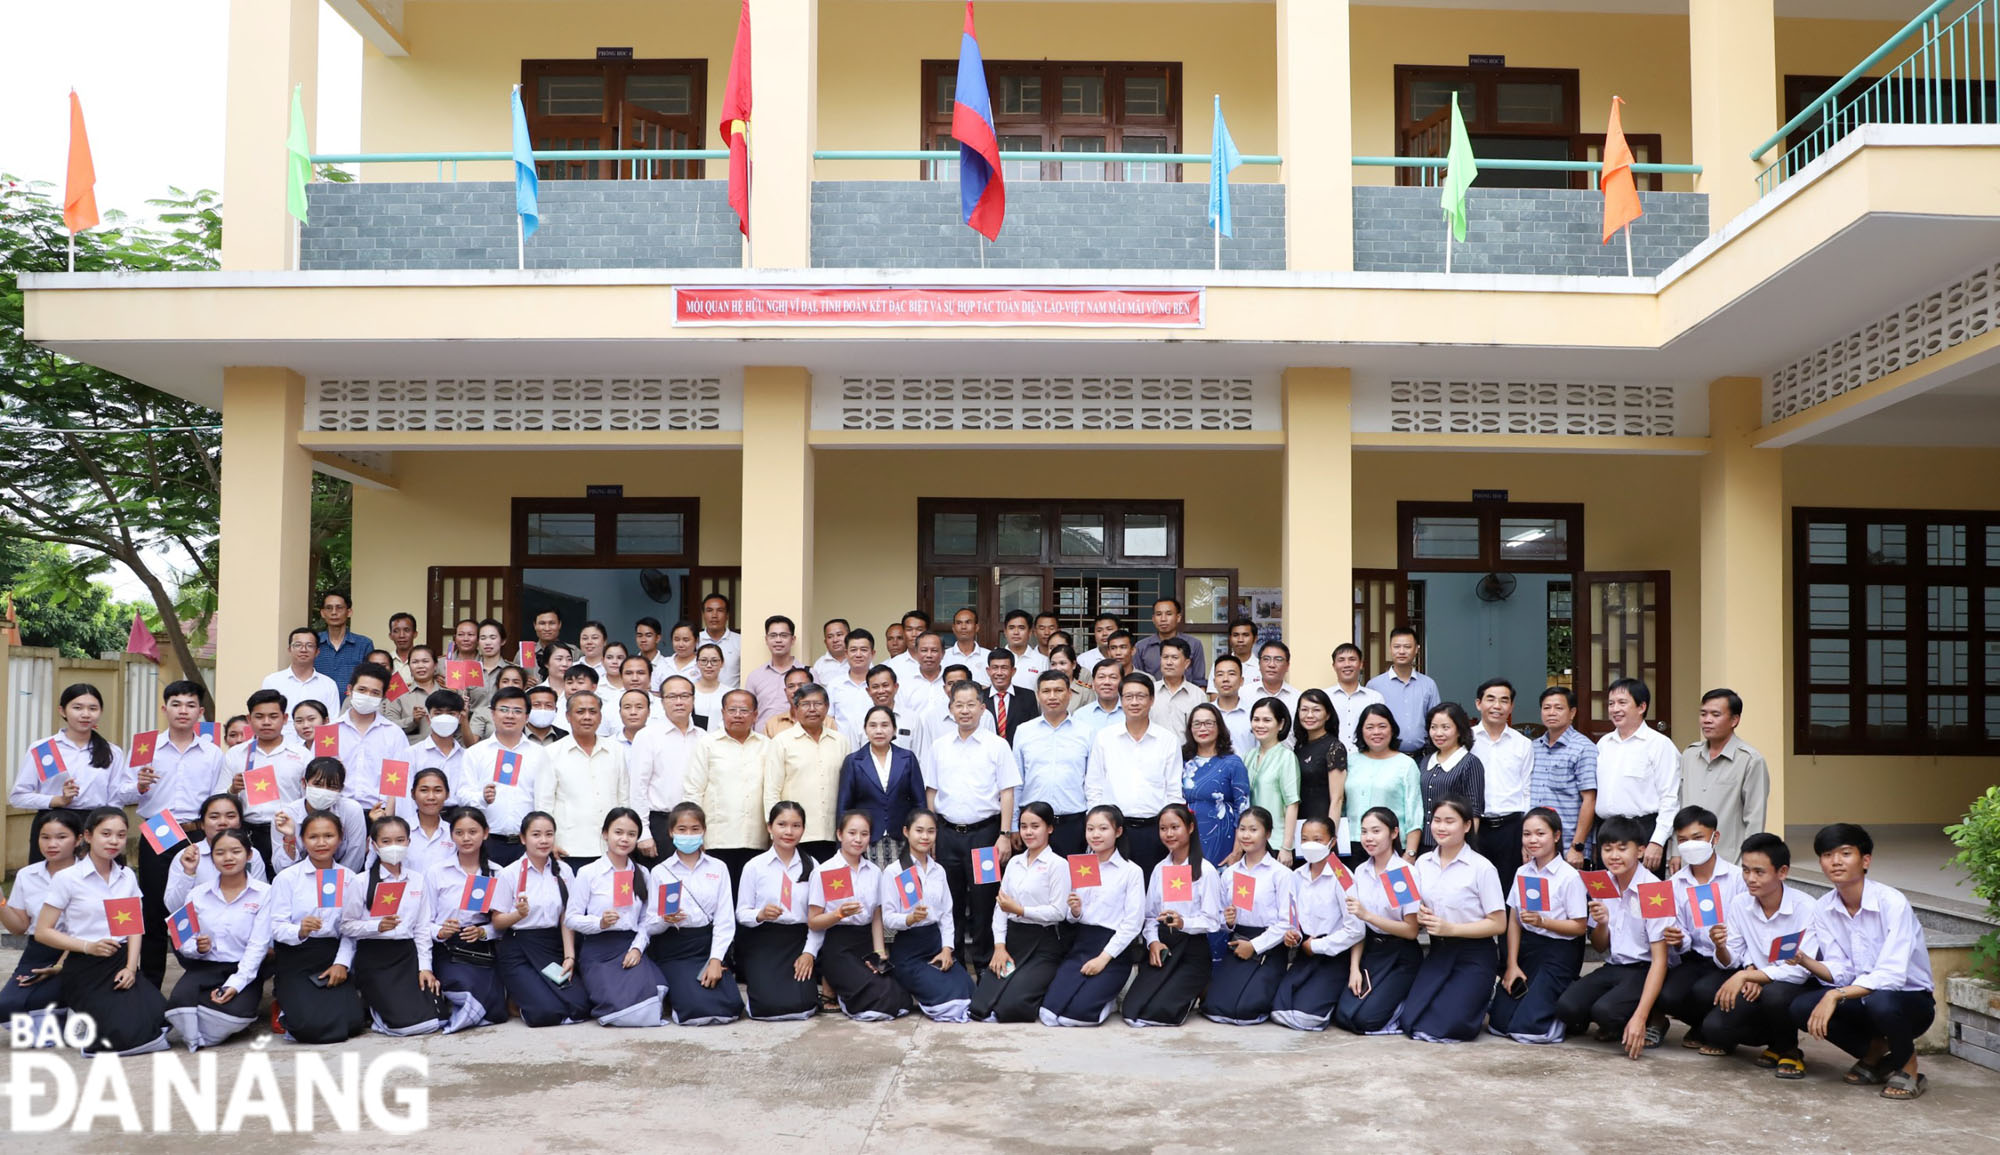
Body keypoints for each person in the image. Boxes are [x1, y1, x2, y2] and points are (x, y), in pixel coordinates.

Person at [1790, 822, 1937, 1100]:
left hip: (1909, 1002)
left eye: (1845, 853)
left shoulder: (1892, 903)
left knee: (1881, 999)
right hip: (1863, 998)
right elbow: (1841, 970)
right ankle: (1875, 1053)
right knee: (1801, 1006)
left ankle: (1909, 1066)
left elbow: (1892, 975)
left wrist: (1836, 995)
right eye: (1826, 855)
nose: (1835, 862)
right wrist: (1805, 961)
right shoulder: (1823, 908)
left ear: (1865, 860)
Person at [30, 807, 170, 1053]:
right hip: (85, 964)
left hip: (119, 962)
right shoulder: (68, 878)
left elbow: (133, 927)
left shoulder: (126, 877)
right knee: (122, 1035)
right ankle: (81, 1017)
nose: (114, 841)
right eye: (106, 833)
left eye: (120, 835)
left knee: (161, 1018)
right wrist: (88, 946)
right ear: (87, 836)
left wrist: (130, 967)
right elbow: (43, 931)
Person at [1554, 816, 1674, 1059]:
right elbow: (1599, 946)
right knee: (1567, 1008)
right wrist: (1602, 923)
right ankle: (1614, 1021)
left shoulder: (1654, 890)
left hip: (1644, 968)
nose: (1614, 856)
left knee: (1605, 1011)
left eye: (1622, 848)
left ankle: (1652, 1017)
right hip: (1613, 965)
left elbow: (1660, 960)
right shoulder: (1601, 882)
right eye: (1607, 849)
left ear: (1640, 851)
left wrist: (1639, 1018)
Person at [1701, 832, 1820, 1077]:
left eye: (1759, 872)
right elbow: (1732, 958)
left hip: (1795, 983)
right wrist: (1721, 947)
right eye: (1745, 870)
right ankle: (1773, 1041)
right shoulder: (1740, 904)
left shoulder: (1806, 908)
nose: (1750, 879)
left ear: (1782, 872)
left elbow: (1800, 969)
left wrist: (1751, 976)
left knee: (1776, 995)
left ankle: (1788, 1050)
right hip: (1756, 977)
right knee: (1714, 1030)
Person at [133, 679, 226, 987]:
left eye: (190, 705)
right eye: (176, 704)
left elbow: (219, 796)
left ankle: (200, 982)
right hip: (157, 834)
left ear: (200, 712)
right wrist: (139, 784)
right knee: (156, 908)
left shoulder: (212, 753)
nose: (183, 711)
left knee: (200, 903)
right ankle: (149, 987)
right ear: (165, 709)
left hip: (198, 835)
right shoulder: (146, 749)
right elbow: (120, 792)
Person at [924, 680, 1020, 971]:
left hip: (985, 835)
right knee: (950, 901)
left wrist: (1004, 834)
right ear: (950, 708)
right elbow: (931, 791)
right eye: (958, 705)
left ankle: (982, 964)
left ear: (982, 707)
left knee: (983, 902)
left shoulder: (997, 745)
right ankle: (950, 960)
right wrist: (932, 835)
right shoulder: (939, 746)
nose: (964, 711)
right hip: (948, 834)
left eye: (970, 705)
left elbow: (1007, 792)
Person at [1398, 797, 1507, 1042]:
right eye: (1437, 821)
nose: (1441, 827)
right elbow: (1416, 904)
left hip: (1474, 955)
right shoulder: (1423, 863)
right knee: (1412, 1021)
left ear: (1467, 826)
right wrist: (1422, 913)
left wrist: (1451, 927)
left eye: (1450, 821)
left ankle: (1482, 993)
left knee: (1448, 1026)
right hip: (1440, 952)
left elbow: (1499, 924)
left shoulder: (1482, 868)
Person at [158, 827, 270, 1050]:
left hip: (243, 969)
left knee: (235, 1014)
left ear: (249, 855)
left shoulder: (264, 893)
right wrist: (198, 948)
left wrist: (235, 985)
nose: (228, 858)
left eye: (236, 851)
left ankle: (200, 1033)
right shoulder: (197, 894)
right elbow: (184, 939)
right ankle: (200, 1030)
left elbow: (258, 946)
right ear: (212, 857)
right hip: (204, 967)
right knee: (178, 1004)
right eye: (220, 853)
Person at [264, 809, 369, 1043]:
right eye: (313, 837)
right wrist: (299, 930)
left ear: (340, 838)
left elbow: (351, 929)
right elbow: (276, 927)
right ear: (303, 840)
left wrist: (341, 963)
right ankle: (283, 1006)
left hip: (332, 954)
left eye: (329, 836)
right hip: (296, 955)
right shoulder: (288, 878)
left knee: (353, 1022)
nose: (321, 843)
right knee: (308, 1026)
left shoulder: (350, 878)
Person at [1488, 808, 1589, 1044]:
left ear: (1556, 836)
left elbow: (1579, 927)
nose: (1532, 840)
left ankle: (1565, 1016)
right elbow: (1514, 919)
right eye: (1527, 834)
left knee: (1528, 1031)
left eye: (1540, 834)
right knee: (1498, 1025)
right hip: (1528, 949)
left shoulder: (1569, 877)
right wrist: (1511, 964)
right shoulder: (1523, 872)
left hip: (1559, 953)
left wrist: (1544, 922)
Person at [638, 801, 744, 1026]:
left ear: (704, 831)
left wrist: (716, 959)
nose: (688, 835)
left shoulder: (718, 868)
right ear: (671, 832)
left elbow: (725, 919)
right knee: (695, 1010)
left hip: (706, 946)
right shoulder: (660, 871)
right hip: (674, 949)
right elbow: (650, 924)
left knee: (730, 1008)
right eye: (682, 830)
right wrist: (664, 920)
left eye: (695, 829)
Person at [1038, 804, 1143, 1027]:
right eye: (1090, 829)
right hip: (1082, 945)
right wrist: (1075, 911)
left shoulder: (1131, 871)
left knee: (1075, 1017)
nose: (1095, 835)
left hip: (1113, 951)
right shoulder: (1080, 865)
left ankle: (1109, 1001)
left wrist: (1104, 958)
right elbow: (1070, 916)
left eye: (1103, 828)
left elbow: (1133, 924)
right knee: (1048, 1015)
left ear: (1118, 831)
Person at [340, 815, 445, 1036]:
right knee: (406, 1025)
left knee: (433, 1020)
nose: (394, 846)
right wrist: (375, 927)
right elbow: (347, 926)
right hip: (375, 955)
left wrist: (425, 968)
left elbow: (422, 929)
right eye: (386, 841)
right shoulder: (360, 882)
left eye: (400, 840)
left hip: (406, 954)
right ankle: (376, 1011)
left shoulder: (417, 880)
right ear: (374, 844)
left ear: (408, 842)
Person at [563, 808, 668, 1027]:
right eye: (618, 832)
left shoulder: (642, 873)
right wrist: (598, 922)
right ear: (605, 834)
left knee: (654, 993)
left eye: (631, 834)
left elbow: (645, 921)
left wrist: (637, 948)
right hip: (598, 950)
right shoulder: (588, 873)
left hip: (629, 946)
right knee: (619, 1007)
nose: (624, 839)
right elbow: (571, 919)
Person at [805, 810, 912, 1021]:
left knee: (900, 998)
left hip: (865, 945)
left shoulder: (874, 871)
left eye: (864, 834)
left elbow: (876, 916)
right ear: (839, 834)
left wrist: (880, 952)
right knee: (878, 998)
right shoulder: (825, 871)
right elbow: (814, 922)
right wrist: (838, 914)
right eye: (852, 833)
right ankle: (840, 994)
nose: (858, 839)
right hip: (838, 946)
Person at [970, 802, 1070, 1022]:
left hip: (1043, 944)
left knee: (1011, 1008)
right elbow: (1000, 907)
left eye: (1035, 826)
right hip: (1013, 942)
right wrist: (999, 947)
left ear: (1049, 828)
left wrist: (1021, 910)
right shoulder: (1015, 862)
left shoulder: (1058, 865)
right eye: (1023, 826)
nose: (1028, 832)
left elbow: (1058, 912)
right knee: (980, 1005)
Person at [1122, 804, 1221, 1027]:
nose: (1169, 834)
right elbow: (1149, 916)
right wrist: (1154, 942)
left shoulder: (1205, 871)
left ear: (1190, 828)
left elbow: (1213, 921)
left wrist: (1184, 922)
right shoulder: (1159, 869)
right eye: (1163, 828)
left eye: (1175, 827)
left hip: (1192, 949)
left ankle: (1196, 988)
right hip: (1165, 948)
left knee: (1158, 1013)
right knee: (1131, 1011)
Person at [1658, 804, 1748, 1046]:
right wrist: (1678, 939)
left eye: (1697, 837)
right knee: (1667, 994)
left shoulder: (1737, 878)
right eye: (1683, 840)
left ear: (1714, 837)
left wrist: (1725, 945)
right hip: (1696, 957)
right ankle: (1701, 1023)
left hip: (1731, 960)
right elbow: (1681, 932)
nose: (1691, 845)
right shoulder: (1676, 882)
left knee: (1704, 991)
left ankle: (1713, 1026)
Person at [492, 810, 591, 1028]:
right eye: (536, 834)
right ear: (523, 838)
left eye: (549, 834)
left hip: (551, 947)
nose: (543, 840)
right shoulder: (509, 873)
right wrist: (518, 915)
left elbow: (568, 916)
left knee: (581, 1006)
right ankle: (519, 999)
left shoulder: (564, 871)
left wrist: (569, 957)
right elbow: (497, 921)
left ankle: (534, 993)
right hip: (519, 949)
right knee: (545, 1014)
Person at [12, 682, 130, 865]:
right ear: (62, 711)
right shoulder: (44, 749)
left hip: (95, 826)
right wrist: (56, 800)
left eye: (93, 708)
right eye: (77, 707)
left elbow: (115, 800)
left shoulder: (112, 752)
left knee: (96, 886)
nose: (85, 714)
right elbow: (18, 796)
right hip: (53, 825)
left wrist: (104, 830)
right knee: (49, 883)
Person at [1334, 807, 1425, 1034]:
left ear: (1394, 833)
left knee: (1366, 1021)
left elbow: (1411, 930)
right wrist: (1354, 968)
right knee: (1344, 1016)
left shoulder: (1400, 873)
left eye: (1376, 831)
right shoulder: (1361, 871)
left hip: (1400, 954)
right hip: (1371, 950)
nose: (1369, 838)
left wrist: (1367, 915)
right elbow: (1358, 929)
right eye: (1364, 832)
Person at [422, 806, 512, 1033]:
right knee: (466, 986)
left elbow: (502, 925)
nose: (466, 838)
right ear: (451, 835)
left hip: (483, 949)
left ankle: (471, 1011)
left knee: (497, 1011)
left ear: (486, 833)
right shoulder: (437, 872)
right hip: (449, 948)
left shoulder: (497, 873)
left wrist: (484, 932)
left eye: (473, 832)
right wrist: (441, 931)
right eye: (459, 833)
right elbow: (424, 921)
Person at [1084, 673, 1184, 875]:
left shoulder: (1167, 740)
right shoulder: (1105, 738)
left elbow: (1174, 790)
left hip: (1154, 830)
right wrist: (1098, 828)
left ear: (1152, 700)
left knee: (1153, 891)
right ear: (1121, 700)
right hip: (1115, 831)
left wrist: (1171, 830)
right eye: (1128, 697)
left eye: (1141, 696)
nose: (1135, 702)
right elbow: (1093, 786)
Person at [882, 808, 975, 1022]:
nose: (925, 837)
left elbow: (946, 915)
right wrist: (909, 919)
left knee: (969, 991)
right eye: (919, 830)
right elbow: (887, 917)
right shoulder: (894, 871)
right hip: (909, 951)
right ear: (906, 832)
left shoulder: (938, 870)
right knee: (948, 1000)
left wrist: (947, 950)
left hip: (935, 945)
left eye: (931, 831)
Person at [1203, 807, 1292, 1025]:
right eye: (1242, 829)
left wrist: (1255, 946)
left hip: (1268, 948)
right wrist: (1228, 921)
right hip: (1238, 944)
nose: (1246, 835)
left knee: (1246, 1010)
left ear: (1268, 834)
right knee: (1215, 1007)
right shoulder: (1231, 874)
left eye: (1253, 829)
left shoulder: (1281, 874)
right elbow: (1221, 919)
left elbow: (1287, 922)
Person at [734, 801, 820, 1021]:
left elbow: (818, 918)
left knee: (802, 1005)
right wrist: (760, 915)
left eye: (796, 825)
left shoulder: (813, 865)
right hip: (763, 941)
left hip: (798, 941)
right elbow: (741, 913)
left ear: (803, 829)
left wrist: (809, 953)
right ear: (770, 827)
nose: (789, 832)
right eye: (782, 824)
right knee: (768, 1006)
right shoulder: (755, 866)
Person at [0, 811, 83, 1030]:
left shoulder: (87, 874)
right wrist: (1, 902)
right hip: (40, 951)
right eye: (45, 837)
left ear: (79, 839)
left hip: (79, 950)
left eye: (61, 837)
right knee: (7, 1007)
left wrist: (60, 965)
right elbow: (19, 927)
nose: (51, 844)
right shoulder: (27, 875)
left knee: (43, 1001)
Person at [684, 689, 773, 892]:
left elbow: (773, 791)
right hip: (717, 838)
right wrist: (695, 834)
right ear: (723, 713)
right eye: (732, 710)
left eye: (744, 710)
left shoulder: (767, 746)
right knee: (719, 897)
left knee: (750, 898)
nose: (738, 715)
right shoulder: (707, 744)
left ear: (755, 715)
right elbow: (693, 791)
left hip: (756, 838)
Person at [1595, 678, 1681, 871]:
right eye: (1611, 703)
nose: (1615, 709)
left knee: (1644, 897)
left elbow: (1670, 798)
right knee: (1608, 897)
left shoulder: (1659, 744)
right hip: (1607, 831)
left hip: (1642, 832)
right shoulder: (1603, 744)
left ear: (1641, 707)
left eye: (1622, 703)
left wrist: (1657, 841)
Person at [537, 692, 629, 870]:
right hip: (569, 849)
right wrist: (549, 841)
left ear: (600, 717)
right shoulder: (552, 753)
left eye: (592, 712)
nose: (587, 717)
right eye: (580, 711)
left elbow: (623, 798)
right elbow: (544, 803)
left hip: (611, 847)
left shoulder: (616, 750)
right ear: (568, 716)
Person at [1680, 689, 1771, 857]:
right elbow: (1680, 805)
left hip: (1728, 859)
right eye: (1703, 714)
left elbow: (1755, 819)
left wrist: (1747, 860)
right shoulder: (1689, 755)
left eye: (1715, 714)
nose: (1707, 720)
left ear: (1734, 720)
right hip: (1688, 858)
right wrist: (1675, 853)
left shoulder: (1750, 760)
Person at [1013, 669, 1093, 857]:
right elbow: (1016, 782)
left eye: (1058, 690)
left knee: (1076, 884)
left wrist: (1092, 825)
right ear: (1038, 695)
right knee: (1036, 883)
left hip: (1073, 824)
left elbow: (1093, 781)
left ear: (1069, 694)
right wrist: (1012, 825)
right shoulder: (1024, 731)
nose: (1052, 696)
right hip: (1033, 824)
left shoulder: (1086, 732)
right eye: (1046, 691)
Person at [765, 683, 848, 862]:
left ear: (826, 707)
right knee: (798, 887)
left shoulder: (840, 742)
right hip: (795, 835)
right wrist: (775, 831)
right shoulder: (782, 742)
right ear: (795, 708)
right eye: (805, 704)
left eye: (818, 704)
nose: (812, 709)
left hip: (833, 835)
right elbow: (772, 789)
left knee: (832, 888)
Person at [838, 705, 927, 867]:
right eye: (873, 725)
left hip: (902, 837)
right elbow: (844, 807)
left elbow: (919, 803)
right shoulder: (853, 761)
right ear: (865, 729)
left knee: (903, 888)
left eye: (885, 725)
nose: (879, 731)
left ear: (894, 730)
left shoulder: (907, 758)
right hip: (866, 838)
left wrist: (919, 834)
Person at [1471, 679, 1536, 894]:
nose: (1497, 706)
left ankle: (1508, 929)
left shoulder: (1523, 743)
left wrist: (1526, 834)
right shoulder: (1465, 740)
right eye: (1491, 699)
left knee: (1509, 889)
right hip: (1475, 827)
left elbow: (1527, 789)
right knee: (1474, 888)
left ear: (1511, 707)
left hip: (1511, 828)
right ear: (1478, 703)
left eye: (1504, 700)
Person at [320, 662, 408, 809]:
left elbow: (397, 785)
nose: (367, 696)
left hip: (378, 813)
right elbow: (319, 775)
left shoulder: (394, 733)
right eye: (362, 690)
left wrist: (386, 820)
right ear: (350, 690)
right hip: (336, 811)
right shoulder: (329, 731)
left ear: (383, 696)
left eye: (375, 693)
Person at [163, 794, 271, 913]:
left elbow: (262, 901)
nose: (223, 822)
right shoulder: (186, 857)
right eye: (214, 817)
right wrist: (188, 873)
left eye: (230, 816)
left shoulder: (251, 854)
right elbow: (173, 908)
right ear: (202, 824)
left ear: (240, 822)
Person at [1345, 703, 1425, 863]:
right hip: (1352, 845)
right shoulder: (1350, 761)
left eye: (1382, 726)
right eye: (1369, 727)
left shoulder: (1406, 764)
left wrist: (1410, 853)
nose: (1376, 732)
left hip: (1391, 846)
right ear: (1361, 730)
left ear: (1392, 729)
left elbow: (1414, 812)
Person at [1531, 686, 1599, 868]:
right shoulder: (1533, 747)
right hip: (1535, 843)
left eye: (1558, 708)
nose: (1551, 712)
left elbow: (1589, 800)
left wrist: (1577, 846)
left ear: (1572, 712)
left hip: (1568, 845)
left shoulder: (1583, 748)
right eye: (1546, 708)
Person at [1179, 703, 1251, 870]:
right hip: (1187, 839)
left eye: (1209, 723)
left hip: (1222, 840)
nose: (1202, 728)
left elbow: (1243, 809)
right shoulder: (1181, 761)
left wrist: (1238, 850)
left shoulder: (1233, 763)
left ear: (1219, 727)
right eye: (1197, 724)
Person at [273, 757, 370, 873]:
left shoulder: (352, 810)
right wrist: (289, 839)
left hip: (340, 881)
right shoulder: (286, 815)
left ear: (341, 789)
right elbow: (281, 868)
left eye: (332, 787)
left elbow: (355, 855)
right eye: (318, 785)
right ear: (304, 783)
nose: (324, 791)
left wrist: (335, 882)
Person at [1417, 703, 1484, 854]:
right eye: (1434, 727)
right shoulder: (1426, 761)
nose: (1438, 733)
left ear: (1459, 730)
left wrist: (1466, 849)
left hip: (1453, 845)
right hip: (1423, 844)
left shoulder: (1470, 763)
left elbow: (1474, 811)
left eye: (1445, 727)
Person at [1241, 698, 1301, 863]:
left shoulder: (1286, 757)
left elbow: (1292, 804)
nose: (1260, 725)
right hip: (1250, 842)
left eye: (1267, 720)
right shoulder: (1249, 756)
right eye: (1256, 719)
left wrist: (1287, 846)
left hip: (1276, 843)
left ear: (1280, 724)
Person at [1365, 627, 1440, 756]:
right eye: (1396, 646)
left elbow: (1437, 721)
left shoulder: (1428, 685)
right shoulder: (1374, 685)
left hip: (1421, 756)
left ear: (1416, 649)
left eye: (1407, 647)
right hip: (1385, 757)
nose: (1401, 651)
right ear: (1390, 648)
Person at [1292, 689, 1347, 829]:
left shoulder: (1334, 747)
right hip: (1299, 823)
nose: (1309, 715)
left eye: (1316, 710)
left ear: (1327, 714)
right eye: (1304, 709)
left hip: (1322, 824)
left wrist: (1330, 833)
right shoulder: (1299, 746)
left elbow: (1337, 799)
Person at [264, 628, 340, 721]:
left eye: (309, 645)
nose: (303, 649)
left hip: (316, 736)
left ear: (317, 652)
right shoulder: (272, 681)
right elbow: (265, 716)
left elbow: (332, 722)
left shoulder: (329, 685)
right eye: (298, 645)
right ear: (289, 649)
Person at [1133, 598, 1208, 689]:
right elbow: (1138, 679)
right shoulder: (1141, 647)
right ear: (1153, 619)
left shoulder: (1194, 644)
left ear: (1178, 617)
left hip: (1186, 698)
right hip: (1153, 699)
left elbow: (1199, 681)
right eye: (1158, 614)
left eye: (1169, 614)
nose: (1163, 619)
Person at [399, 769, 458, 881]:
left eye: (438, 790)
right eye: (424, 790)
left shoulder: (454, 832)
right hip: (405, 896)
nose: (431, 797)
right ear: (413, 794)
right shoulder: (399, 830)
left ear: (447, 795)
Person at [745, 615, 804, 727]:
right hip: (764, 740)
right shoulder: (755, 676)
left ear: (793, 640)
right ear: (766, 640)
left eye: (783, 635)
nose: (778, 640)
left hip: (798, 740)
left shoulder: (807, 674)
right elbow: (748, 712)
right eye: (773, 635)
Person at [315, 591, 374, 696]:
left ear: (349, 612)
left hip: (352, 707)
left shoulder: (364, 644)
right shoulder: (313, 642)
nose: (334, 612)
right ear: (322, 613)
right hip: (318, 706)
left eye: (339, 608)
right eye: (329, 608)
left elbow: (370, 679)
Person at [383, 645, 444, 738]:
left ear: (435, 665)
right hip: (409, 749)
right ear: (409, 667)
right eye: (415, 662)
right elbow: (389, 727)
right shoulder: (398, 695)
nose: (420, 666)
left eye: (425, 661)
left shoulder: (448, 694)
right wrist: (413, 720)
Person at [1245, 641, 1300, 730]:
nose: (1271, 665)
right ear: (1259, 664)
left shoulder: (1297, 698)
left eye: (1278, 660)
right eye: (1266, 659)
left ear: (1287, 666)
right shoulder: (1244, 694)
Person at [984, 650, 1036, 743]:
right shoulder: (978, 697)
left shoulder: (1028, 696)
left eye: (1004, 668)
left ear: (1013, 671)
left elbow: (1034, 730)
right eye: (995, 668)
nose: (999, 673)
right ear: (988, 671)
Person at [1208, 654, 1255, 753]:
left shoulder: (1253, 714)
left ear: (1241, 681)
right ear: (1214, 681)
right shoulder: (1206, 713)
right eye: (1220, 674)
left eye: (1231, 674)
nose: (1225, 679)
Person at [698, 593, 743, 688]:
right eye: (709, 610)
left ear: (727, 615)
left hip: (732, 699)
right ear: (703, 614)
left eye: (720, 610)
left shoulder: (740, 641)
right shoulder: (695, 641)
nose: (714, 615)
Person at [945, 607, 992, 687]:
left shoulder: (989, 656)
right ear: (953, 628)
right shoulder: (943, 657)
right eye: (959, 623)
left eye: (968, 622)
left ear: (976, 627)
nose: (963, 627)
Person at [997, 609, 1049, 681]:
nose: (1016, 632)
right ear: (1005, 632)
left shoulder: (1043, 661)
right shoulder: (994, 659)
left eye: (1021, 628)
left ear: (1030, 632)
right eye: (1011, 628)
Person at [654, 621, 703, 690]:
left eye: (686, 640)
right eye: (676, 639)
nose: (680, 644)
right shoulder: (663, 663)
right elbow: (655, 692)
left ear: (696, 640)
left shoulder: (702, 664)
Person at [692, 643, 730, 727]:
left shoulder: (730, 694)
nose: (709, 665)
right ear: (697, 663)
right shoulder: (688, 692)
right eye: (703, 660)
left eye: (714, 661)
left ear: (722, 663)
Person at [1212, 619, 1259, 688]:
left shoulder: (1261, 668)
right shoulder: (1219, 666)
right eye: (1236, 635)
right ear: (1230, 638)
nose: (1240, 640)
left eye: (1245, 635)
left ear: (1255, 639)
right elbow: (1214, 696)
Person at [810, 618, 851, 687]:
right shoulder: (819, 665)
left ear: (849, 637)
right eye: (830, 637)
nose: (835, 640)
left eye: (839, 634)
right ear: (825, 642)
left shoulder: (859, 660)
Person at [385, 611, 419, 686]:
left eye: (406, 630)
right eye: (396, 631)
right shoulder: (385, 661)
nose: (401, 635)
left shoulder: (425, 661)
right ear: (390, 635)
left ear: (415, 634)